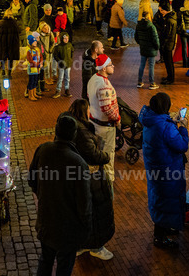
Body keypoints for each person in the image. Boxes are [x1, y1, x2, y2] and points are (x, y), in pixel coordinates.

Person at [29, 115, 93, 276]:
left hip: (46, 222)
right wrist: (86, 227)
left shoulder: (43, 150)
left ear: (56, 131)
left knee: (45, 260)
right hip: (68, 230)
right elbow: (84, 203)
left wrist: (44, 195)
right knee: (64, 267)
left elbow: (32, 180)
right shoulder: (78, 163)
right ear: (74, 135)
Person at [62, 99, 115, 261]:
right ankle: (95, 246)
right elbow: (93, 154)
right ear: (83, 111)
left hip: (73, 177)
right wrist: (105, 156)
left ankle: (80, 244)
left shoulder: (68, 123)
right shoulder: (82, 132)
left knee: (80, 211)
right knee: (96, 211)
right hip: (90, 177)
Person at [139, 92, 189, 249]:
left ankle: (166, 228)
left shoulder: (150, 120)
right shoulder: (165, 126)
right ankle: (160, 237)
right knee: (166, 201)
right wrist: (183, 128)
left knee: (161, 199)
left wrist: (172, 122)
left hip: (156, 169)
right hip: (168, 171)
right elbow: (182, 146)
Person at [87, 54, 120, 181]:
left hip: (94, 122)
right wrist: (117, 119)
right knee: (108, 157)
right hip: (105, 127)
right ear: (104, 68)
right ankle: (107, 186)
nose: (113, 66)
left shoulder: (93, 78)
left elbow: (89, 96)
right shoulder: (104, 84)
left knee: (95, 156)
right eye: (111, 64)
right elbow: (107, 108)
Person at [135, 9, 160, 89]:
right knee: (151, 66)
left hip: (143, 48)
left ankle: (139, 81)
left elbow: (136, 37)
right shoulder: (151, 26)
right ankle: (152, 83)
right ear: (149, 16)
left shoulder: (138, 25)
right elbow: (155, 39)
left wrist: (141, 43)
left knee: (142, 64)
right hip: (151, 48)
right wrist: (157, 47)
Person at [0, 9, 21, 82]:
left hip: (2, 43)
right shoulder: (14, 23)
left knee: (3, 57)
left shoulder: (1, 22)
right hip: (11, 43)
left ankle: (3, 71)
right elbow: (18, 32)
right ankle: (9, 73)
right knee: (10, 58)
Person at [154, 1, 178, 85]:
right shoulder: (170, 18)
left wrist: (163, 44)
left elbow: (167, 34)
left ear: (165, 10)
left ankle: (170, 78)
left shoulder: (169, 20)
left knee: (169, 62)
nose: (160, 12)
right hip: (169, 43)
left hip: (168, 44)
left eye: (161, 10)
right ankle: (169, 77)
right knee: (168, 62)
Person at [22, 33, 44, 101]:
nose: (36, 42)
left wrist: (41, 62)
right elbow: (30, 60)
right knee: (31, 82)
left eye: (35, 41)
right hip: (32, 70)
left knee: (35, 82)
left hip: (37, 70)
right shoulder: (29, 51)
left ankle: (34, 94)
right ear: (31, 43)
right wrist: (38, 65)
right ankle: (30, 95)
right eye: (34, 42)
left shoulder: (37, 49)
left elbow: (41, 56)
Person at [51, 31, 73, 98]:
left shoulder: (69, 45)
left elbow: (72, 52)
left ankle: (67, 90)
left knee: (67, 78)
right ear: (62, 39)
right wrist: (60, 61)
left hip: (68, 65)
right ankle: (58, 90)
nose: (66, 40)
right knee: (60, 78)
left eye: (67, 38)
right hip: (61, 65)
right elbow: (55, 55)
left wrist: (70, 60)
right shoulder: (58, 47)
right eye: (65, 38)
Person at [38, 22, 56, 91]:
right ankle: (46, 79)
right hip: (42, 53)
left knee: (48, 65)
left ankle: (48, 78)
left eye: (47, 28)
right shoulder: (39, 34)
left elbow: (53, 42)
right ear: (41, 29)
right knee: (45, 66)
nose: (46, 29)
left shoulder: (50, 33)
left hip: (48, 52)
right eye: (45, 28)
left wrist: (50, 50)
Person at [179, 0, 189, 70]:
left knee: (184, 48)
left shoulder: (182, 12)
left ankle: (185, 63)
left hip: (184, 31)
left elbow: (180, 22)